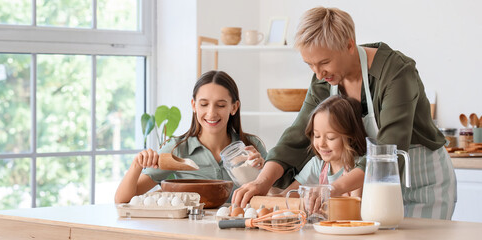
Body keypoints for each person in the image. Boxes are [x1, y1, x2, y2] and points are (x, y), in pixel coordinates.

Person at [232, 6, 456, 220]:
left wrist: (332, 188)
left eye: (324, 62)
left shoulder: (396, 73)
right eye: (310, 64)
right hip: (371, 186)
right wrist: (261, 182)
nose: (319, 74)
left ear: (350, 45)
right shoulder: (324, 81)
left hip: (420, 184)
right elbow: (296, 138)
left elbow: (390, 150)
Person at [115, 70, 267, 203]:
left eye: (220, 105)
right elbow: (123, 199)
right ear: (194, 105)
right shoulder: (177, 149)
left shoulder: (251, 147)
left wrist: (260, 173)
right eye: (204, 104)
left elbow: (278, 195)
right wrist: (137, 164)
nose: (211, 113)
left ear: (234, 107)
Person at [282, 95, 367, 198]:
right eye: (317, 136)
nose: (321, 144)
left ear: (351, 137)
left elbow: (355, 207)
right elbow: (289, 195)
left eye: (330, 138)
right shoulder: (318, 165)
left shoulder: (358, 169)